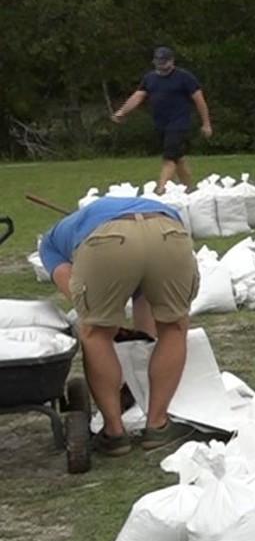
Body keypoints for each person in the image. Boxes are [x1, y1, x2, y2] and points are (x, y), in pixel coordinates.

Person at [40, 195, 199, 455]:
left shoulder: (50, 245)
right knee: (173, 328)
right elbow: (146, 303)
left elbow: (78, 295)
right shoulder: (100, 217)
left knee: (94, 333)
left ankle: (114, 433)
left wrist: (108, 324)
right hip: (168, 232)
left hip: (109, 243)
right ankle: (158, 425)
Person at [111, 47, 212, 189]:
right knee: (179, 158)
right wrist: (122, 112)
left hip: (179, 123)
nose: (160, 65)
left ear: (171, 61)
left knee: (169, 159)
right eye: (158, 61)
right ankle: (190, 189)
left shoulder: (184, 77)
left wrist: (206, 123)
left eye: (163, 61)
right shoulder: (150, 78)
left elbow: (199, 100)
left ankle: (160, 191)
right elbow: (138, 96)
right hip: (160, 124)